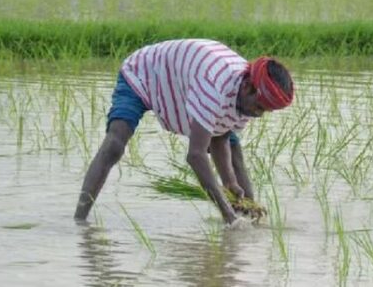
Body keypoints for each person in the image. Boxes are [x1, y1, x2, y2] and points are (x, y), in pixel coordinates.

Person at [74, 39, 294, 227]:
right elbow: (196, 155)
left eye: (266, 110)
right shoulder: (214, 86)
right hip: (143, 73)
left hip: (186, 82)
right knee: (114, 145)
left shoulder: (249, 94)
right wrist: (226, 213)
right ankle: (79, 221)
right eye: (260, 108)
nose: (260, 114)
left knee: (235, 152)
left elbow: (221, 136)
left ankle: (249, 215)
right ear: (247, 88)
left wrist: (229, 183)